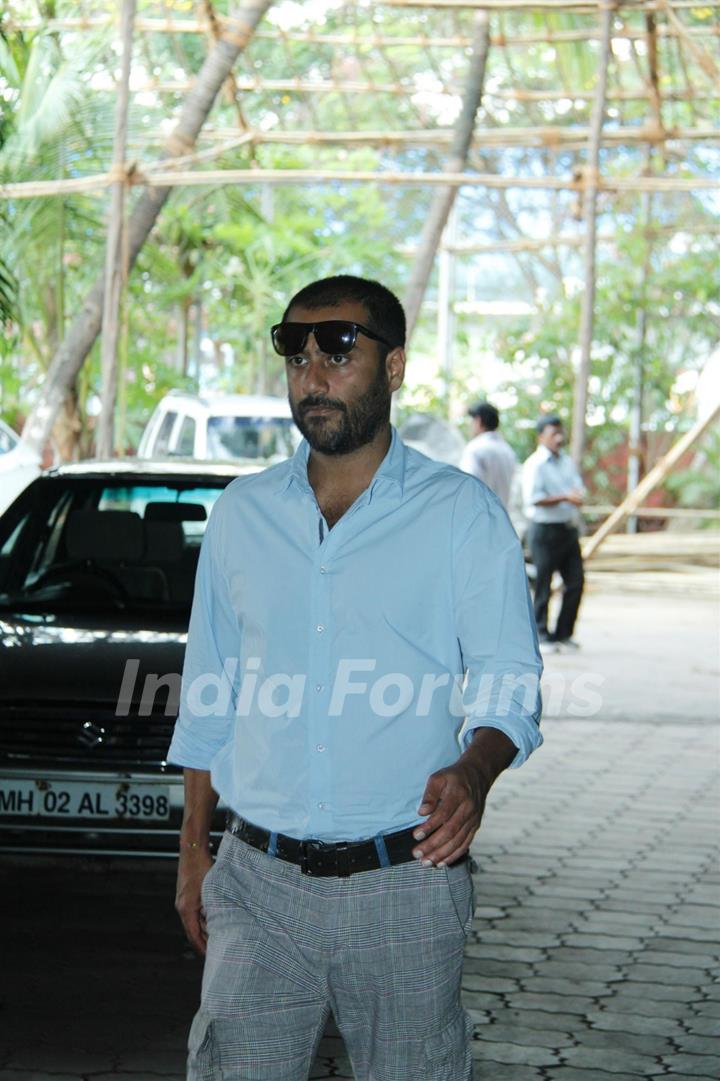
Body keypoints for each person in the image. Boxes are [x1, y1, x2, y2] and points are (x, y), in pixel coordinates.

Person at [169, 275, 542, 1081]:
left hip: (405, 885)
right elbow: (209, 692)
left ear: (394, 365)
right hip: (257, 884)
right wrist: (193, 851)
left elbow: (509, 677)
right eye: (297, 354)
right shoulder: (242, 514)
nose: (314, 374)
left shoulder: (461, 515)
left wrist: (475, 769)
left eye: (339, 349)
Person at [522, 415, 585, 649]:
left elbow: (577, 487)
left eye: (561, 433)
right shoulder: (535, 465)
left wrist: (575, 496)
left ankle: (564, 633)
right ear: (541, 437)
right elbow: (534, 499)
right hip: (544, 531)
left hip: (567, 529)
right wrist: (564, 497)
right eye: (553, 434)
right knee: (543, 583)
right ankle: (540, 633)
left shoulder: (567, 462)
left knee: (576, 581)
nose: (559, 438)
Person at [459, 400, 517, 509]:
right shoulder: (507, 450)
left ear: (478, 420)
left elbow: (468, 486)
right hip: (503, 517)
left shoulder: (475, 448)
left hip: (479, 517)